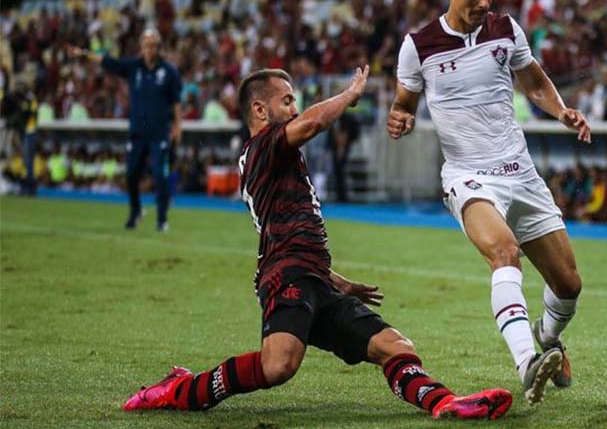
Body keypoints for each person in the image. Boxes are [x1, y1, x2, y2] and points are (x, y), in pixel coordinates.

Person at [121, 67, 513, 421]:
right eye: (287, 101)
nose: (295, 109)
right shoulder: (262, 147)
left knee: (396, 346)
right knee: (278, 366)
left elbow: (285, 233)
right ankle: (178, 390)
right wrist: (349, 95)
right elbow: (312, 124)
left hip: (314, 280)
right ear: (259, 110)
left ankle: (445, 403)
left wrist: (335, 280)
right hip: (287, 278)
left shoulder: (277, 158)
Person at [388, 0, 591, 405]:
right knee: (504, 252)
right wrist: (400, 118)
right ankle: (527, 364)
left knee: (569, 285)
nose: (484, 3)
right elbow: (403, 104)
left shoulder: (506, 29)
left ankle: (547, 336)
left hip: (521, 173)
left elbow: (534, 82)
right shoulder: (418, 46)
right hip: (469, 176)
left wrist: (561, 111)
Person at [68, 28, 182, 231]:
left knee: (160, 176)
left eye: (153, 45)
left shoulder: (169, 72)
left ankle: (162, 219)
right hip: (137, 133)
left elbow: (176, 102)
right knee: (130, 175)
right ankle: (136, 210)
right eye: (146, 45)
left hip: (159, 134)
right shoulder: (134, 67)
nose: (150, 49)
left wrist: (178, 126)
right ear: (141, 47)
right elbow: (109, 62)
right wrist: (84, 54)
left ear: (159, 47)